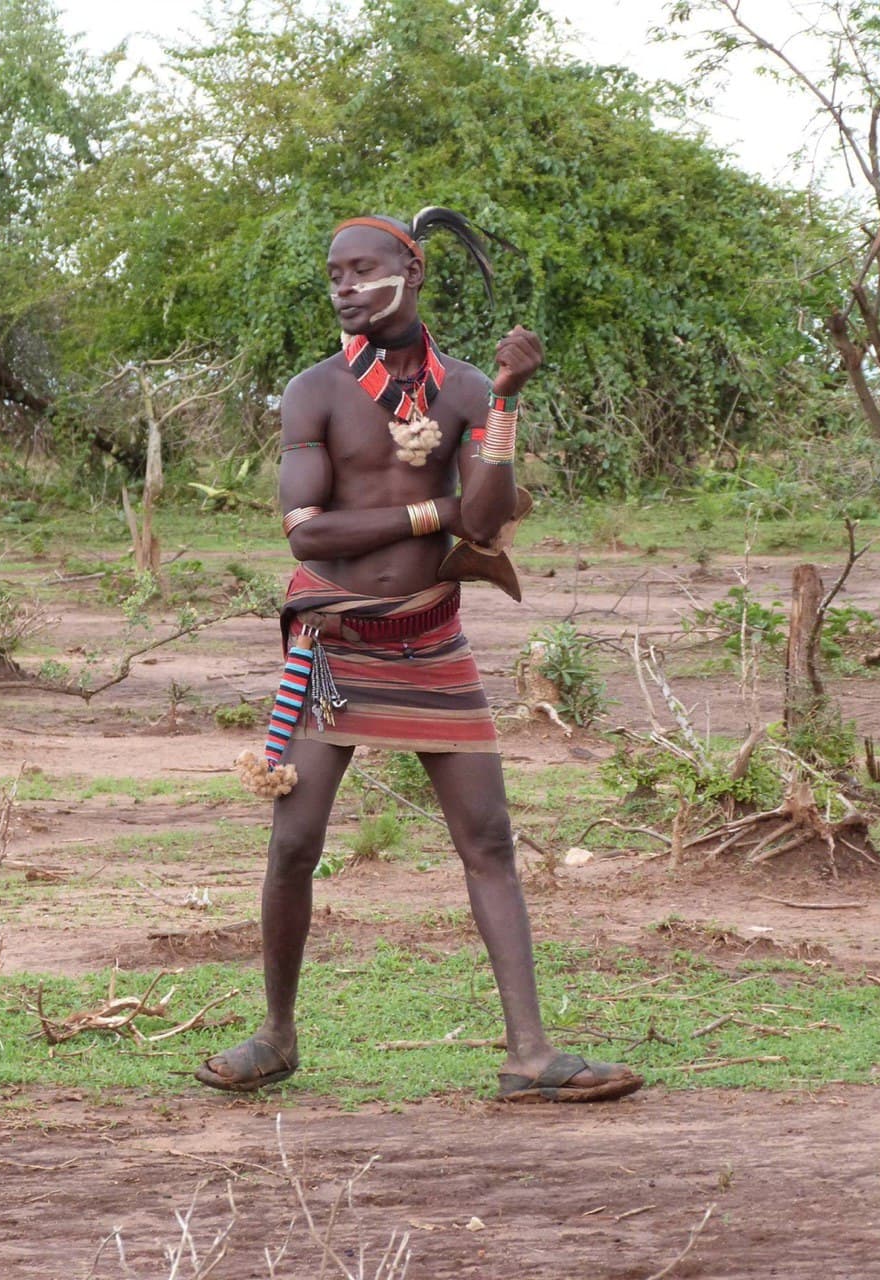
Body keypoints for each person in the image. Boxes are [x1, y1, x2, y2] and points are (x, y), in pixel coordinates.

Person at [195, 208, 644, 1103]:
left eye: (363, 270)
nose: (347, 288)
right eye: (334, 277)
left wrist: (507, 404)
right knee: (294, 845)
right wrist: (433, 514)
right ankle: (276, 1035)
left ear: (413, 271)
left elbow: (488, 520)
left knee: (487, 841)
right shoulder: (314, 391)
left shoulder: (471, 388)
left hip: (431, 639)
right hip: (338, 643)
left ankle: (528, 1055)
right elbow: (309, 530)